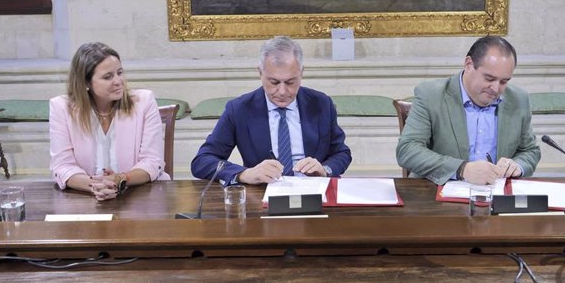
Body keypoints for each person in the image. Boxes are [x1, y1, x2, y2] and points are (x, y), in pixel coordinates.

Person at [191, 36, 352, 185]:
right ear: (260, 73)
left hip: (315, 192)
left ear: (301, 73)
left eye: (290, 82)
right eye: (274, 82)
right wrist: (244, 174)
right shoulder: (239, 109)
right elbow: (202, 161)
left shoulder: (321, 104)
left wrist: (325, 170)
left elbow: (342, 153)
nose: (282, 91)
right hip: (262, 195)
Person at [396, 35, 541, 185]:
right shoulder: (431, 95)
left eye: (504, 81)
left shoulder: (519, 100)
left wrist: (517, 166)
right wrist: (462, 169)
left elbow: (530, 151)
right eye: (489, 79)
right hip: (437, 194)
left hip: (496, 196)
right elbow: (407, 150)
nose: (496, 88)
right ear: (469, 64)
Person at [49, 42, 169, 201]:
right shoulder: (61, 108)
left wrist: (120, 179)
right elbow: (62, 166)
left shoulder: (144, 102)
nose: (118, 81)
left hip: (140, 196)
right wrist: (95, 186)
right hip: (85, 198)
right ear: (86, 83)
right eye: (108, 77)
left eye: (120, 73)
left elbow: (153, 162)